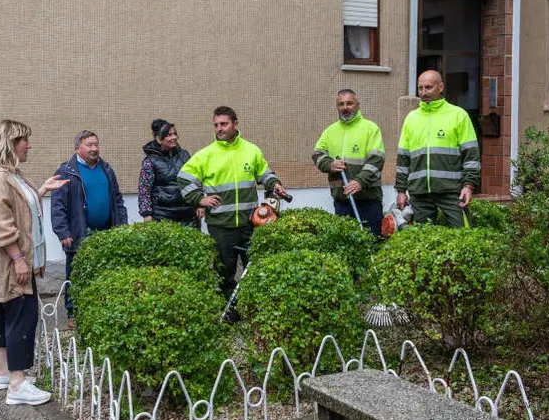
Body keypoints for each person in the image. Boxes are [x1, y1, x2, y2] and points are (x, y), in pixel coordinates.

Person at [0, 119, 67, 406]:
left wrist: (40, 191)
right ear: (10, 143)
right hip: (9, 264)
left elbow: (19, 209)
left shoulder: (8, 175)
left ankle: (2, 373)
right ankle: (17, 383)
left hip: (9, 262)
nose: (29, 144)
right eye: (24, 139)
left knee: (4, 314)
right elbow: (3, 225)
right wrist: (19, 259)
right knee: (22, 317)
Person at [176, 106, 287, 319]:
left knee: (254, 270)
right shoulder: (206, 154)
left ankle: (256, 312)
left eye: (224, 124)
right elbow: (183, 178)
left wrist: (275, 185)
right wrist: (200, 199)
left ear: (235, 124)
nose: (219, 128)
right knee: (224, 273)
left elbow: (266, 174)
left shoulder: (251, 150)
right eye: (216, 125)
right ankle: (229, 314)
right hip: (221, 226)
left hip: (249, 224)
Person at [51, 130, 128, 328]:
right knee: (76, 275)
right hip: (79, 234)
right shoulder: (66, 171)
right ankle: (73, 313)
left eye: (96, 144)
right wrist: (63, 232)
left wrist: (122, 225)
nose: (95, 149)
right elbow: (58, 205)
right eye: (89, 145)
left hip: (106, 232)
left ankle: (100, 309)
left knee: (104, 273)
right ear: (78, 148)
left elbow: (117, 199)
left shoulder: (106, 169)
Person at [395, 70, 481, 227]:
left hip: (451, 190)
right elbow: (403, 158)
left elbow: (471, 156)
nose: (423, 92)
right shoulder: (411, 118)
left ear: (440, 87)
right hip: (419, 192)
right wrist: (401, 190)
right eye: (420, 88)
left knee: (459, 235)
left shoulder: (458, 115)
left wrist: (469, 186)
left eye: (428, 87)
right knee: (422, 240)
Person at [312, 89, 385, 235]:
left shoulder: (370, 128)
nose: (345, 107)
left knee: (372, 241)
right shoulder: (330, 131)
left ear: (357, 105)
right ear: (337, 107)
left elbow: (376, 160)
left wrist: (359, 182)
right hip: (342, 200)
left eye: (349, 103)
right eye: (341, 104)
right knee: (345, 245)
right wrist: (330, 164)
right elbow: (317, 154)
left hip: (368, 200)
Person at [139, 119, 201, 227]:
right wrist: (147, 214)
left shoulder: (185, 155)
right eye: (169, 135)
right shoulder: (150, 161)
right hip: (163, 218)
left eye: (175, 134)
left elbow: (195, 181)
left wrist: (200, 203)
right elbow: (144, 190)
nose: (174, 138)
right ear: (159, 138)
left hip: (189, 216)